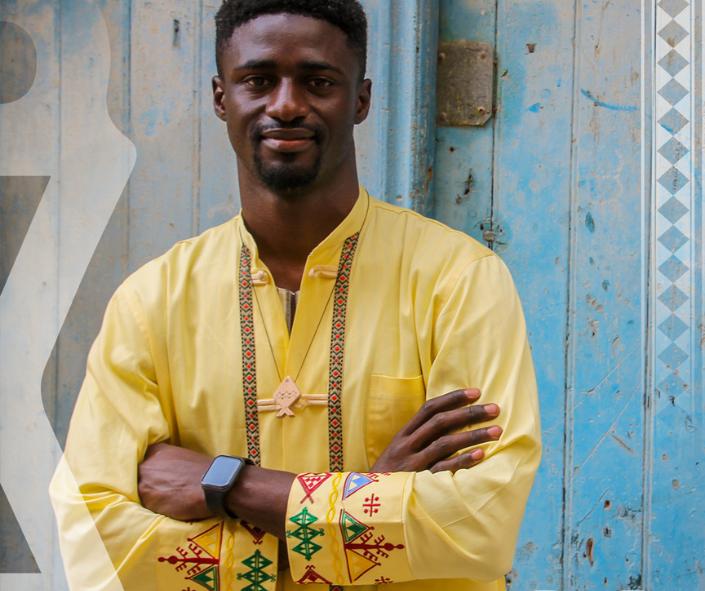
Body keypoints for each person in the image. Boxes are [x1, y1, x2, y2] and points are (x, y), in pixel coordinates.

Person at [50, 1, 541, 590]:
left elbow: (479, 528)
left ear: (359, 100)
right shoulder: (152, 302)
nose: (285, 104)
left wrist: (230, 485)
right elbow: (93, 536)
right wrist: (368, 503)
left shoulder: (457, 282)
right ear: (220, 97)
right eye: (258, 80)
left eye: (317, 81)